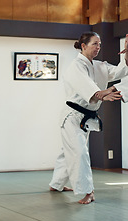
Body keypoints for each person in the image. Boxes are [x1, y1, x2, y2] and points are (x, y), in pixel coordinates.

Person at [49, 31, 128, 204]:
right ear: (83, 46)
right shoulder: (75, 66)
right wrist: (101, 94)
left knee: (68, 151)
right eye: (94, 44)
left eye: (99, 44)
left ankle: (56, 184)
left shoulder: (99, 66)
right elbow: (89, 88)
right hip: (71, 116)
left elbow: (120, 72)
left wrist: (127, 53)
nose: (98, 47)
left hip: (86, 117)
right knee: (79, 152)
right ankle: (88, 191)